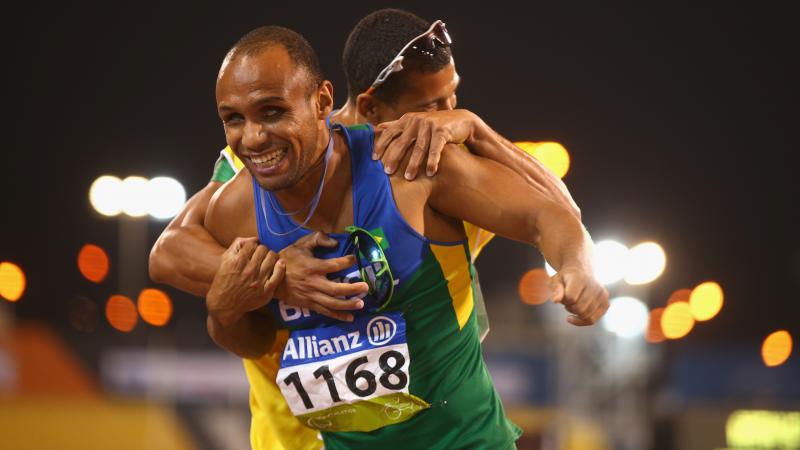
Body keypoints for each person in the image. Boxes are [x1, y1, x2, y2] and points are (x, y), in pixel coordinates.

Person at [149, 9, 583, 450]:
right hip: (293, 438)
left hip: (448, 429)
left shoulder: (428, 168)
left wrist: (477, 128)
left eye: (453, 101)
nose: (442, 121)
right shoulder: (266, 160)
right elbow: (168, 253)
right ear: (373, 108)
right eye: (429, 110)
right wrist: (275, 275)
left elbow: (558, 211)